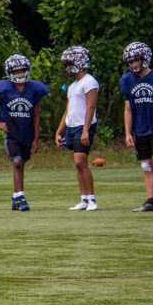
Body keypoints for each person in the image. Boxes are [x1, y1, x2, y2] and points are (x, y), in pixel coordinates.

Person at [0, 54, 50, 211]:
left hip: (26, 132)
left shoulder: (34, 89)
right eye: (16, 71)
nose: (19, 74)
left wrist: (36, 138)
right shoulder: (4, 88)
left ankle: (16, 198)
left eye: (22, 70)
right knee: (17, 162)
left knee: (20, 165)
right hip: (11, 131)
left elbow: (36, 115)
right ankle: (21, 198)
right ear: (10, 72)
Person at [120, 41, 153, 212]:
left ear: (145, 58)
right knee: (146, 164)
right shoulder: (127, 79)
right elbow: (128, 108)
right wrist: (127, 132)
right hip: (140, 128)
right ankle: (151, 201)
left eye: (136, 60)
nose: (134, 64)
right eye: (131, 61)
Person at [54, 46, 99, 211]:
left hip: (84, 126)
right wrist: (59, 131)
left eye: (69, 63)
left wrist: (86, 130)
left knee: (81, 161)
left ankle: (92, 200)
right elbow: (67, 110)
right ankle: (84, 199)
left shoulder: (90, 81)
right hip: (72, 127)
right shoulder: (72, 86)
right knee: (78, 164)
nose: (67, 67)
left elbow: (91, 107)